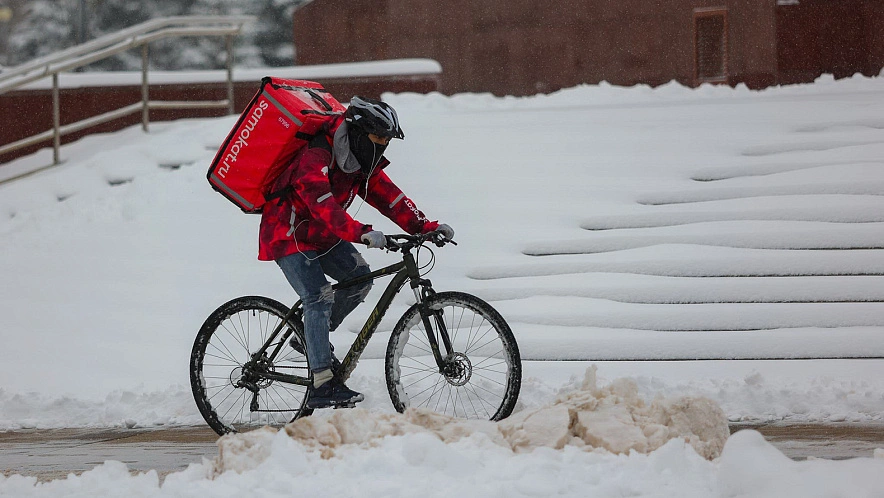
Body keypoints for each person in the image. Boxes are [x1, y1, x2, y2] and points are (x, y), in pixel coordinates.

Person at [257, 96, 454, 409]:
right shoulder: (317, 154)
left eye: (387, 141)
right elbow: (322, 205)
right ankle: (322, 383)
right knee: (318, 296)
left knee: (360, 279)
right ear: (359, 132)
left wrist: (424, 226)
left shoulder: (360, 158)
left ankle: (308, 337)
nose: (383, 145)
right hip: (288, 232)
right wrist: (361, 232)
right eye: (379, 138)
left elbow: (389, 196)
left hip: (323, 235)